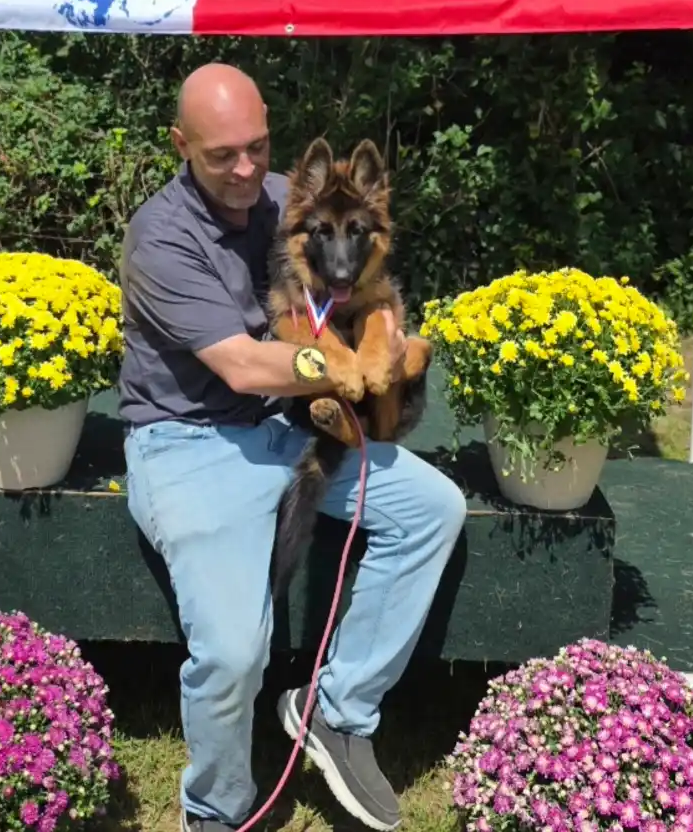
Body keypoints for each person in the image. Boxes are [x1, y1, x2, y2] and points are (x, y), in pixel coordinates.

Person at [117, 63, 467, 832]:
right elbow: (242, 366)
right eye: (221, 155)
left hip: (291, 430)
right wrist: (338, 366)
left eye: (257, 146)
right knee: (236, 653)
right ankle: (218, 812)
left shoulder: (288, 199)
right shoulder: (160, 236)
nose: (247, 169)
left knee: (433, 508)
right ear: (180, 144)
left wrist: (388, 338)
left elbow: (367, 287)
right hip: (188, 443)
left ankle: (334, 707)